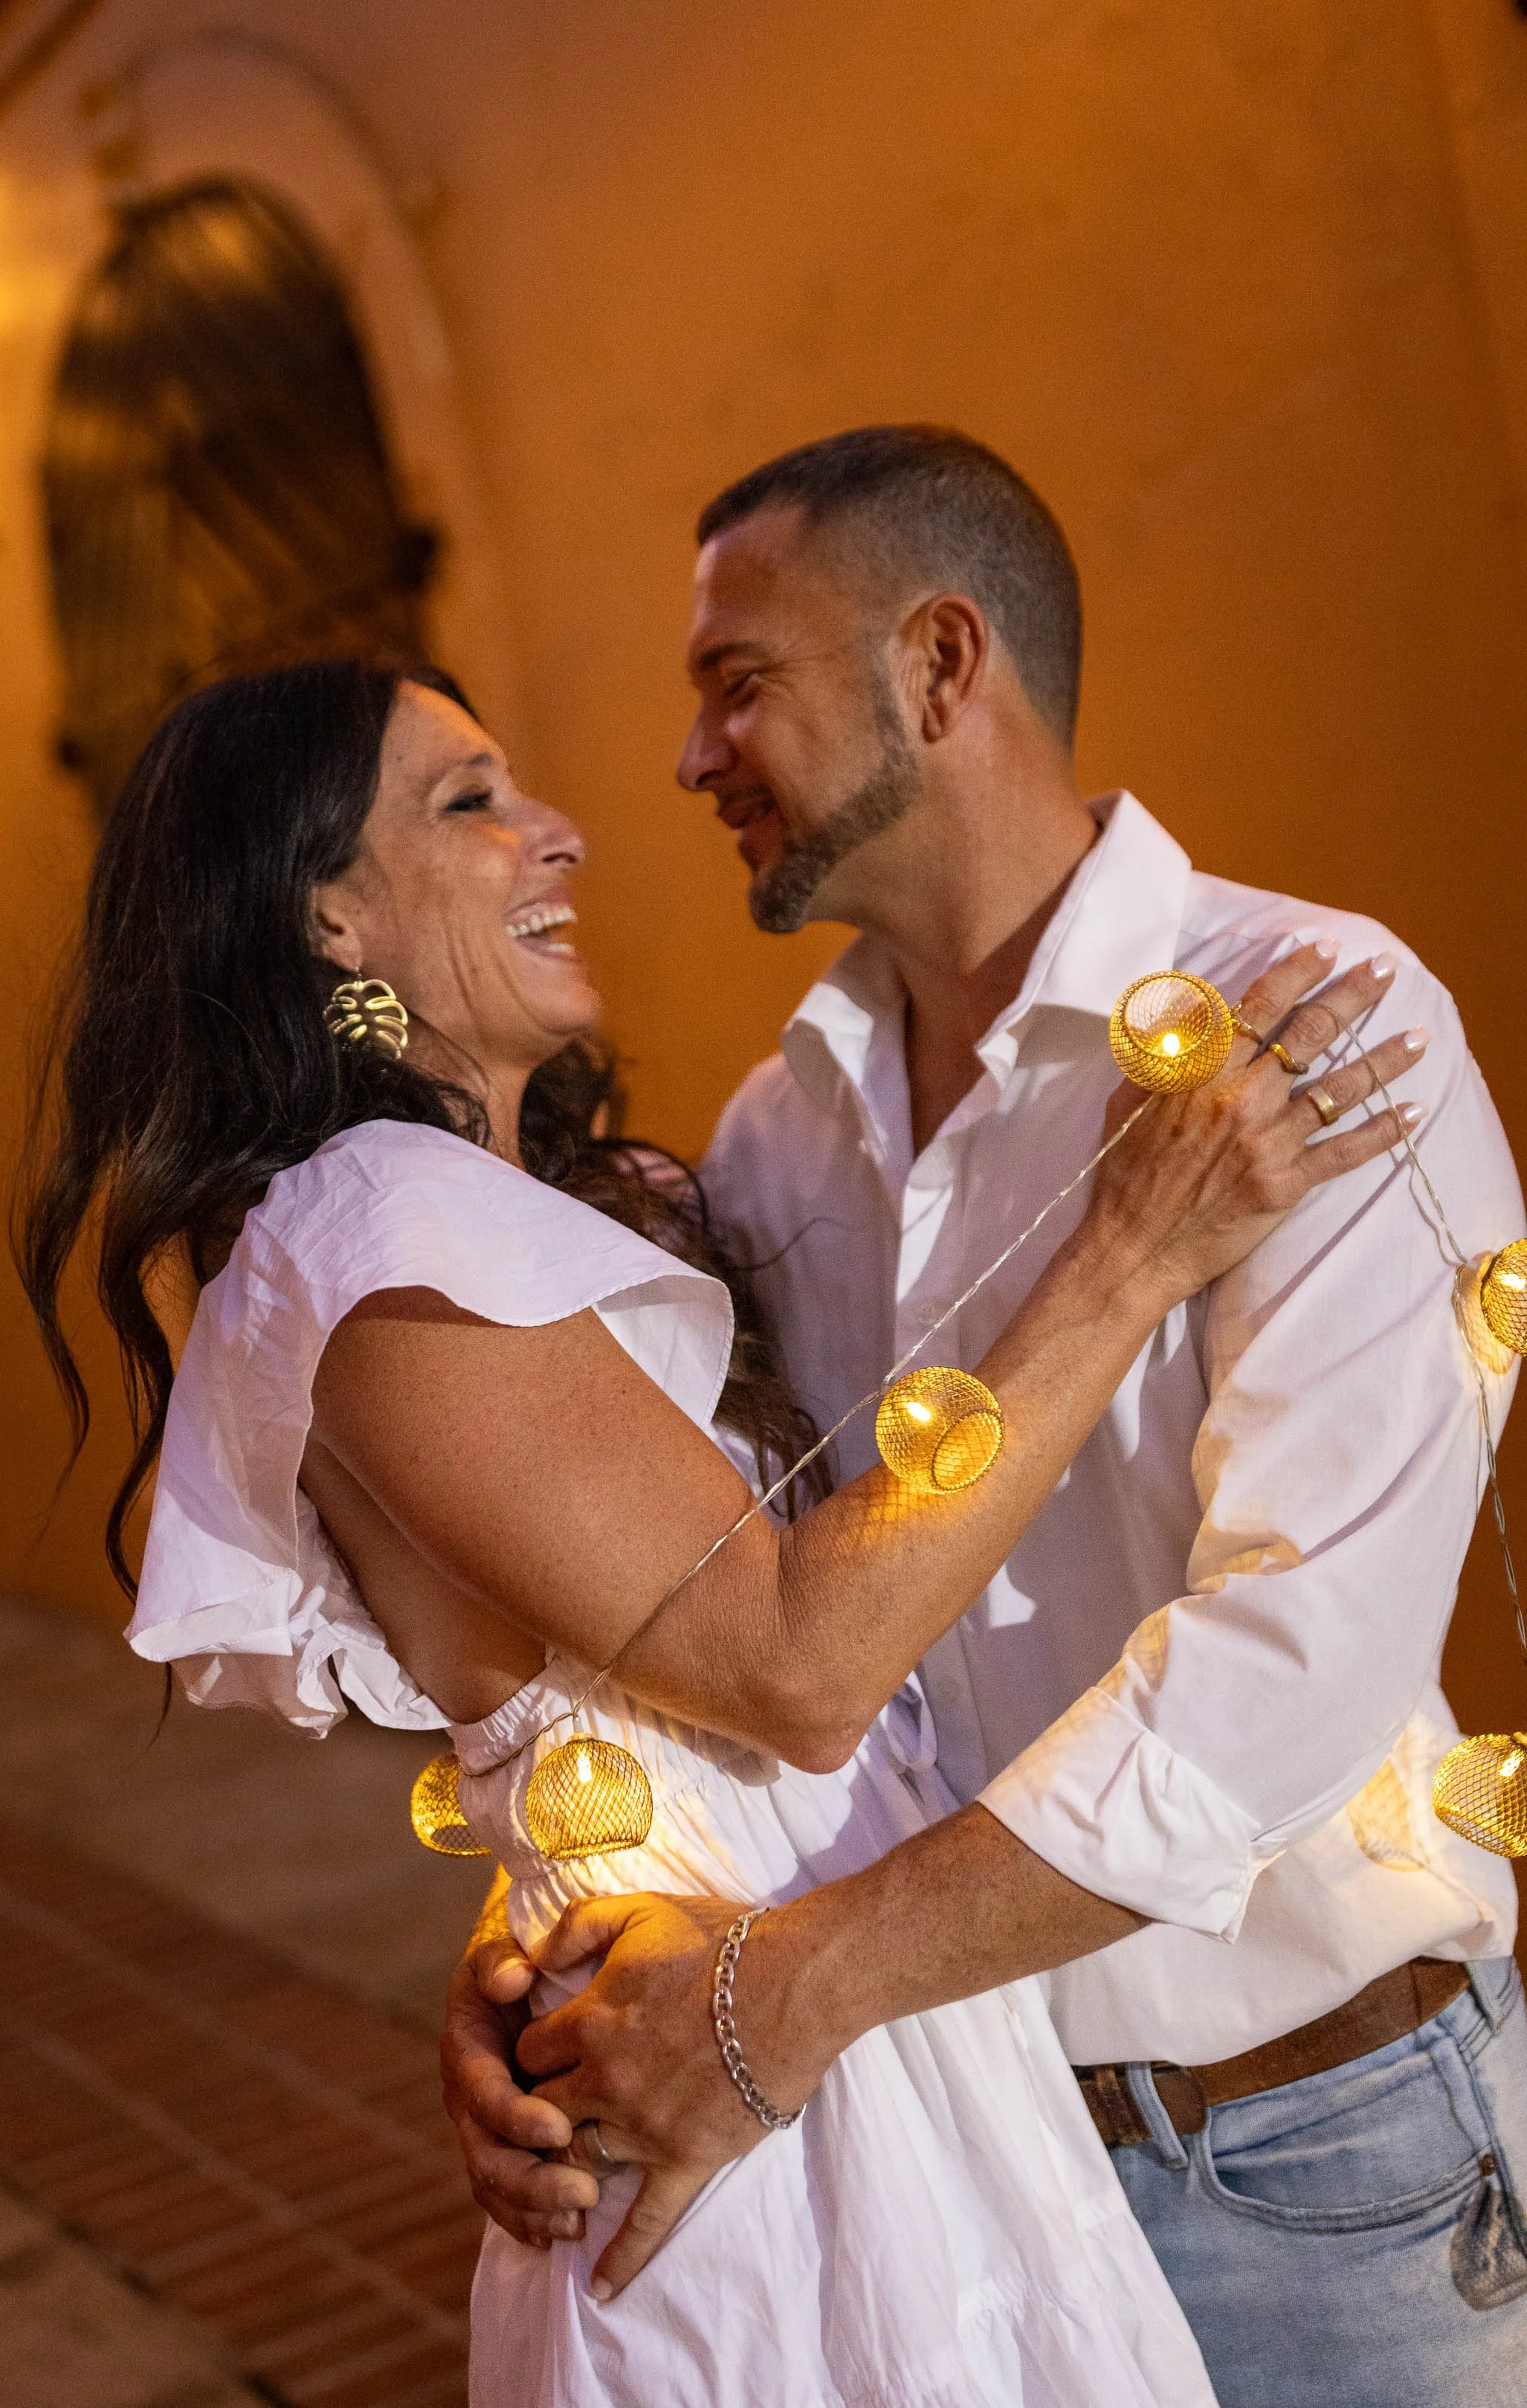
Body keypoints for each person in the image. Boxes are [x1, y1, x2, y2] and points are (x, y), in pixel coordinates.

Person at [16, 657, 1418, 2407]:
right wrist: (1132, 1243)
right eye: (469, 803)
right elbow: (792, 1665)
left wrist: (530, 1947)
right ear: (327, 928)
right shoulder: (379, 1233)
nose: (563, 833)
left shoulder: (572, 1207)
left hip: (816, 2061)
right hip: (766, 2145)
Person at [444, 428, 1527, 2407]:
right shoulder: (783, 1132)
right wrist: (566, 1969)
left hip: (1322, 2156)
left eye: (735, 680)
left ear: (941, 666)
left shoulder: (1308, 1017)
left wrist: (789, 1992)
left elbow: (1288, 1665)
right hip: (958, 2170)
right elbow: (737, 1624)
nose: (688, 757)